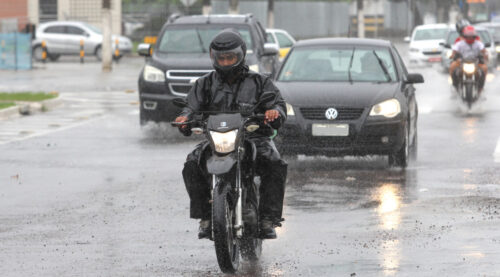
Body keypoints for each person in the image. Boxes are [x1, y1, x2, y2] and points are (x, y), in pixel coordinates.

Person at [174, 29, 288, 240]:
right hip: (217, 139)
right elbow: (190, 107)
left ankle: (267, 218)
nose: (225, 62)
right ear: (214, 58)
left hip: (253, 137)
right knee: (192, 163)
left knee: (274, 162)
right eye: (221, 58)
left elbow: (277, 105)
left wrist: (274, 112)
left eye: (230, 58)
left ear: (241, 55)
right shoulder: (204, 84)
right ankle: (206, 217)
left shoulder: (259, 82)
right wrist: (185, 118)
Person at [449, 26, 488, 93]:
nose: (470, 38)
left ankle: (480, 88)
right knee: (452, 66)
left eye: (471, 36)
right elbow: (454, 51)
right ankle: (455, 85)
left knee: (484, 68)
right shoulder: (460, 43)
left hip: (476, 62)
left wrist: (485, 56)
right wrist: (453, 55)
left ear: (474, 36)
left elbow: (484, 51)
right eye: (468, 36)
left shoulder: (478, 43)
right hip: (462, 62)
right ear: (464, 36)